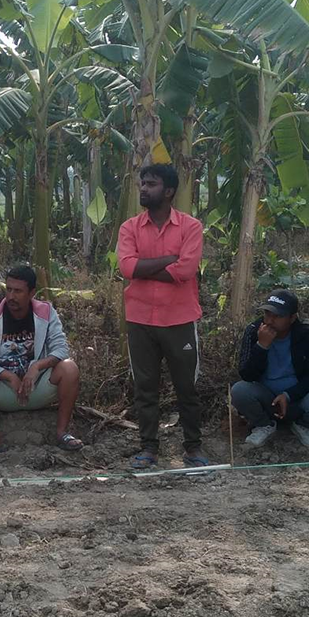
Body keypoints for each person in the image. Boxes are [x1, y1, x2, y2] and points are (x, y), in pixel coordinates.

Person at [117, 164, 207, 470]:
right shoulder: (129, 227)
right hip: (140, 320)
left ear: (168, 191)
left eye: (151, 184)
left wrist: (147, 268)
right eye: (142, 183)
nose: (143, 188)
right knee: (145, 388)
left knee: (187, 389)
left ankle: (193, 448)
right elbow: (127, 268)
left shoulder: (190, 227)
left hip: (180, 320)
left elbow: (186, 270)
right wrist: (168, 260)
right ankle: (148, 449)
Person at [0, 265, 84, 460]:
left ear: (32, 293)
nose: (11, 296)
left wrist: (37, 366)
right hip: (3, 390)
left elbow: (61, 349)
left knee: (69, 368)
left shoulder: (46, 313)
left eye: (18, 291)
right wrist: (7, 376)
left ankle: (61, 433)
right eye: (8, 289)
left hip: (36, 388)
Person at [232, 290, 309, 449]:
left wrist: (288, 396)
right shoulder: (254, 330)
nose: (270, 320)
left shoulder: (307, 334)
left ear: (292, 318)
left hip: (298, 396)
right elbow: (246, 374)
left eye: (277, 316)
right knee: (239, 390)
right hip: (265, 396)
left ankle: (303, 426)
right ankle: (263, 424)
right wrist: (262, 346)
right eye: (267, 314)